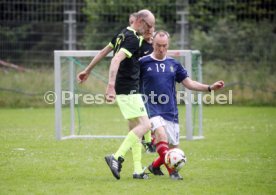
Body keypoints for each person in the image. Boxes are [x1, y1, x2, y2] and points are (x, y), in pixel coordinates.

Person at [77, 11, 155, 180]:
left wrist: (87, 70)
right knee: (146, 125)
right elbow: (115, 59)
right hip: (128, 88)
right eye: (149, 26)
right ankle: (117, 157)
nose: (150, 30)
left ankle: (137, 170)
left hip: (125, 88)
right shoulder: (133, 38)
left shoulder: (122, 33)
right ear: (141, 22)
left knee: (136, 129)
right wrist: (110, 85)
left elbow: (103, 51)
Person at [139, 30, 224, 180]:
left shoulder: (174, 64)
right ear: (152, 43)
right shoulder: (142, 62)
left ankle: (154, 166)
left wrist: (209, 88)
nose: (161, 49)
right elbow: (129, 78)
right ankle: (173, 173)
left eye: (164, 46)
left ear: (168, 45)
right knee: (160, 135)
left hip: (170, 110)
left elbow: (189, 83)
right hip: (151, 108)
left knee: (173, 150)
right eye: (158, 45)